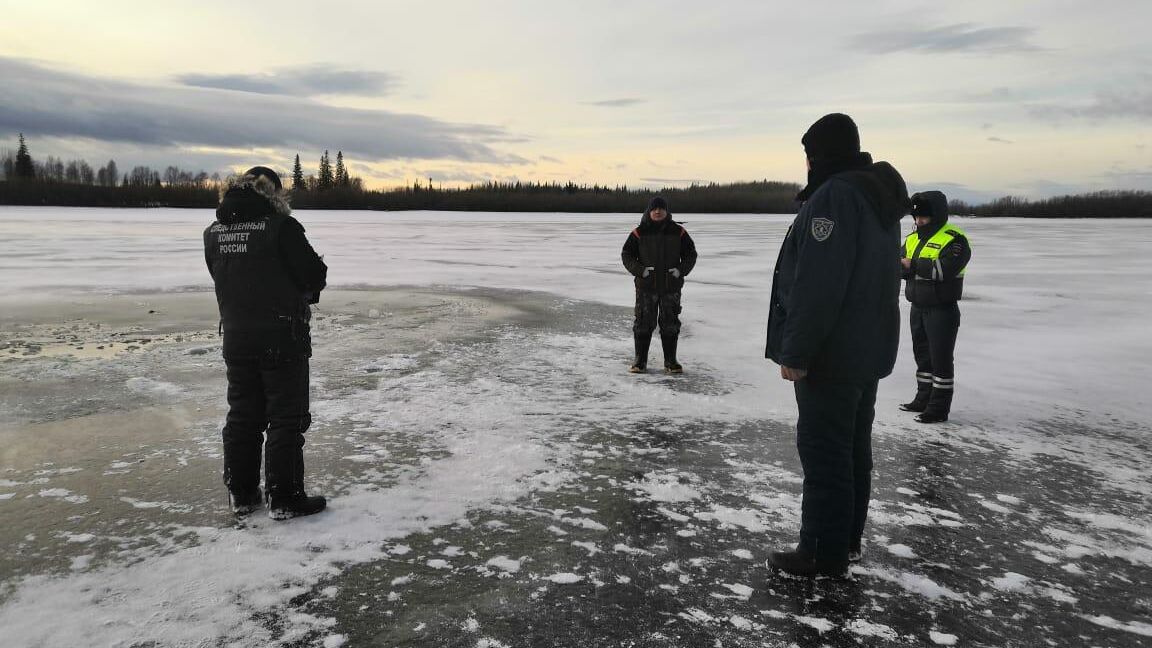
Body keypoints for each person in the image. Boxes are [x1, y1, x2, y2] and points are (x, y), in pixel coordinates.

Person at [765, 113, 910, 577]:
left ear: (820, 155)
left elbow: (818, 284)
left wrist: (797, 351)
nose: (806, 163)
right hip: (864, 351)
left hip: (832, 354)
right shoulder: (874, 196)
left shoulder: (835, 197)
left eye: (809, 154)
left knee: (827, 453)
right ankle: (844, 543)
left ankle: (821, 552)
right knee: (851, 451)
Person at [204, 166, 329, 520]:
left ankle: (242, 495)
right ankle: (284, 497)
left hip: (237, 336)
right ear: (274, 193)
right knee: (285, 418)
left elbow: (221, 275)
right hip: (281, 336)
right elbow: (314, 276)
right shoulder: (281, 228)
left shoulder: (213, 232)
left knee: (243, 416)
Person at [899, 190, 972, 423]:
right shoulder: (912, 239)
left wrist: (912, 265)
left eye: (924, 217)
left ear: (937, 215)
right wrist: (908, 266)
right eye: (916, 217)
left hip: (942, 309)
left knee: (940, 359)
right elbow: (898, 265)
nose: (918, 221)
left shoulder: (954, 239)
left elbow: (944, 270)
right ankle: (923, 398)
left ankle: (938, 408)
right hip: (917, 307)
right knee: (922, 357)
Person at [621, 196, 698, 374]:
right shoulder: (639, 232)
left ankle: (671, 361)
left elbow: (691, 254)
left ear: (666, 211)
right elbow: (627, 255)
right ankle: (640, 361)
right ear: (649, 211)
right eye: (654, 208)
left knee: (670, 323)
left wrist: (680, 270)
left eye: (661, 208)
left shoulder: (679, 232)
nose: (657, 211)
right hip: (646, 287)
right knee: (643, 323)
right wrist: (641, 271)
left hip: (671, 287)